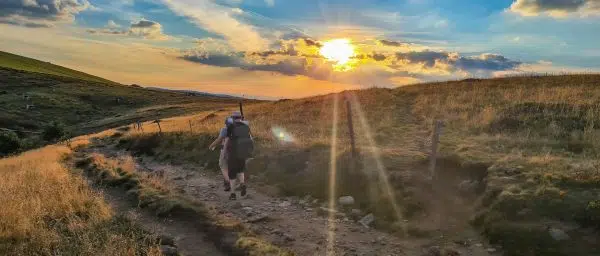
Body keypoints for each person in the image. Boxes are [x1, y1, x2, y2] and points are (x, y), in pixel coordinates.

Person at [224, 111, 254, 200]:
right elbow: (251, 139)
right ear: (241, 118)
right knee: (241, 170)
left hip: (233, 153)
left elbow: (227, 140)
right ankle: (242, 184)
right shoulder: (246, 126)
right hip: (243, 152)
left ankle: (233, 194)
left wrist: (224, 152)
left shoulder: (230, 127)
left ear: (232, 118)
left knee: (232, 174)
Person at [209, 117, 233, 191]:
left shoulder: (225, 129)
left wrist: (211, 146)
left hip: (226, 150)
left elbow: (219, 139)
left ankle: (228, 183)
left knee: (222, 165)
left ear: (226, 123)